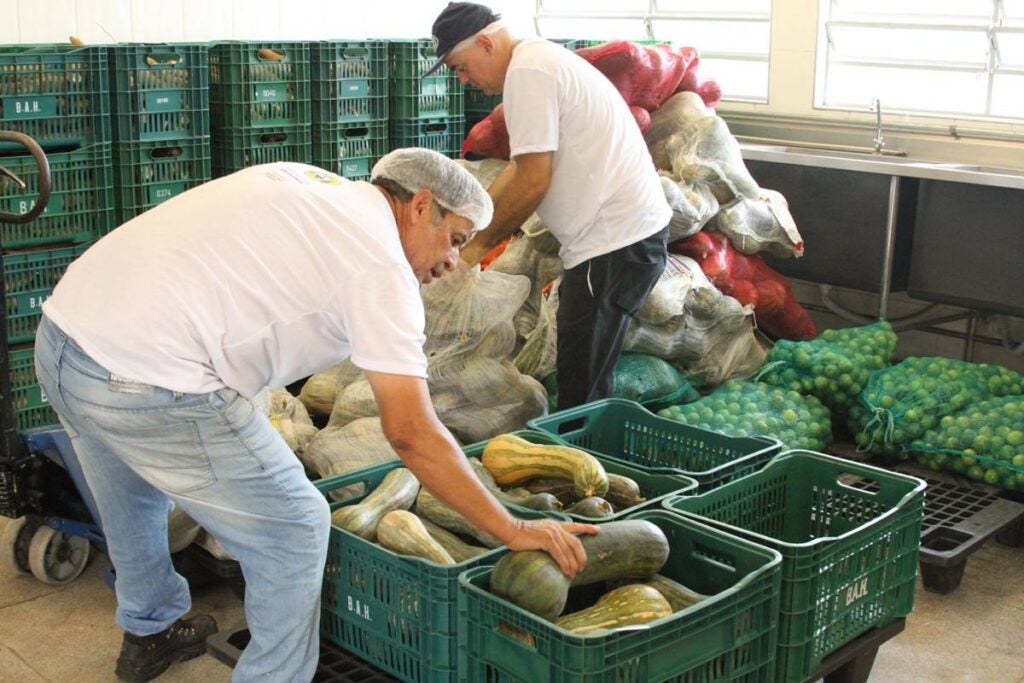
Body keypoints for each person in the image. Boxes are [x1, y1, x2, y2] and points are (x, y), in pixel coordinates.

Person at [34, 149, 597, 683]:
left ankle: (149, 630)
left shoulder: (308, 181)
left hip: (65, 338)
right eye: (453, 240)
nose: (453, 261)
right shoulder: (380, 265)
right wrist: (513, 527)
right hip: (147, 381)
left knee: (133, 488)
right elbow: (411, 433)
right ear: (421, 204)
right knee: (297, 527)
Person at [425, 2, 673, 410]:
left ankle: (591, 470)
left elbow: (534, 181)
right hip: (618, 241)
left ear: (486, 43)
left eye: (460, 66)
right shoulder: (535, 61)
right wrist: (472, 224)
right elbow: (521, 167)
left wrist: (472, 251)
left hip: (613, 244)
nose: (464, 79)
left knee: (582, 386)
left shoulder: (529, 72)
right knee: (584, 374)